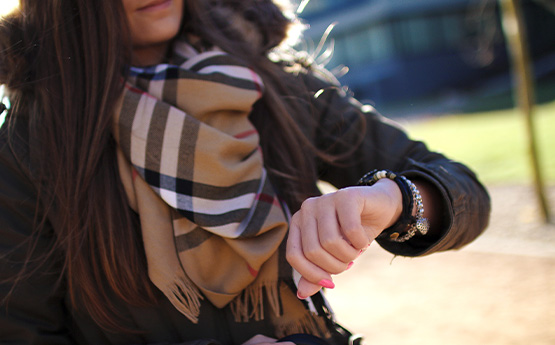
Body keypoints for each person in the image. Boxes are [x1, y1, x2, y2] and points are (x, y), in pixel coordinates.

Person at [0, 0, 490, 344]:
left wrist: (394, 200)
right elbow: (21, 331)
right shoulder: (29, 143)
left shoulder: (281, 87)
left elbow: (465, 193)